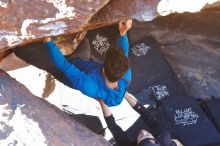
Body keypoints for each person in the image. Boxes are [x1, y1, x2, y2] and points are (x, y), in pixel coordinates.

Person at [43, 19, 132, 107]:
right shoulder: (125, 75)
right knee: (83, 39)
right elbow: (123, 54)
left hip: (66, 74)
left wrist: (48, 42)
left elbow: (64, 65)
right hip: (84, 64)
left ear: (103, 70)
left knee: (36, 54)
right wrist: (123, 34)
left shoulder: (90, 86)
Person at [99, 93, 183, 146]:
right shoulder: (164, 137)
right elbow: (144, 112)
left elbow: (113, 127)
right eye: (148, 135)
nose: (143, 131)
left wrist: (101, 101)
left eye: (141, 136)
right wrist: (123, 93)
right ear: (155, 140)